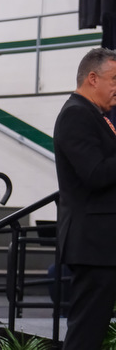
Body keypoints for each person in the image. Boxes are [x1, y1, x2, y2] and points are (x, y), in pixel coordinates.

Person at [53, 48, 116, 349]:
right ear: (93, 78)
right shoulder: (76, 114)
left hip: (102, 245)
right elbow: (94, 173)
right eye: (114, 79)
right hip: (94, 245)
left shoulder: (94, 115)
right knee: (86, 333)